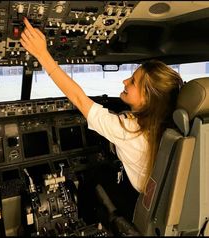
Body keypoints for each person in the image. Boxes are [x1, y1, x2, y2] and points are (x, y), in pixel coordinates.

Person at [20, 17, 183, 223]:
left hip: (140, 207)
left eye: (132, 81)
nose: (125, 81)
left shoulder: (128, 129)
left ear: (148, 98)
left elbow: (79, 99)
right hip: (163, 208)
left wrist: (43, 55)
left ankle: (85, 223)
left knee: (95, 174)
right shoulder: (174, 125)